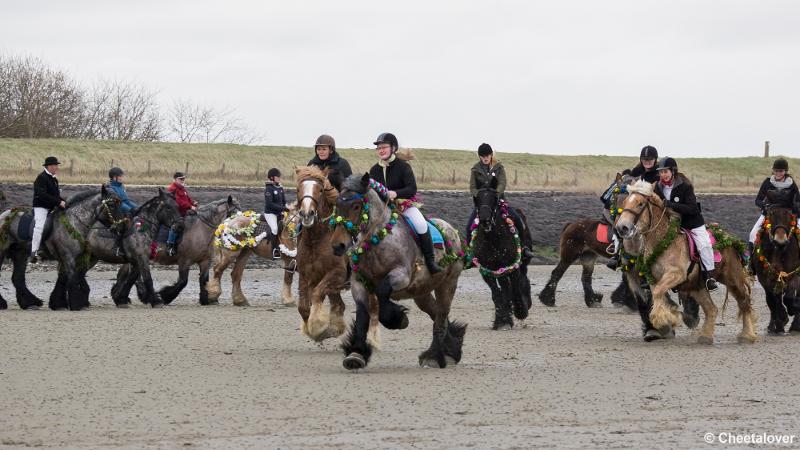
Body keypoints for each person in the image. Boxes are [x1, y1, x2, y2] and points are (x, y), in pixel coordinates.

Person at [368, 132, 441, 274]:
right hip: (382, 208)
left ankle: (430, 261)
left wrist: (396, 193)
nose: (381, 150)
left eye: (384, 147)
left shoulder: (403, 167)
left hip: (403, 205)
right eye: (379, 148)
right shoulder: (374, 170)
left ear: (393, 148)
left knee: (420, 224)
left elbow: (412, 189)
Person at [653, 157, 718, 291]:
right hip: (671, 224)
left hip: (692, 223)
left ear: (673, 171)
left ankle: (709, 276)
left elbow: (692, 208)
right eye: (661, 172)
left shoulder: (685, 186)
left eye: (665, 172)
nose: (663, 175)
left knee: (704, 245)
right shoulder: (658, 187)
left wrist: (671, 205)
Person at [466, 143, 534, 259]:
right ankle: (470, 253)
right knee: (469, 226)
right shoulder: (475, 169)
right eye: (482, 156)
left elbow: (502, 183)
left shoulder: (499, 167)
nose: (485, 158)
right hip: (483, 204)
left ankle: (523, 248)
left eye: (487, 155)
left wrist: (495, 194)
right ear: (479, 156)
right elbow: (472, 187)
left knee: (518, 220)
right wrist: (482, 196)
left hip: (498, 201)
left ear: (491, 154)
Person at [606, 145, 659, 270]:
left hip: (651, 206)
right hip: (637, 205)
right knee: (622, 217)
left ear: (655, 160)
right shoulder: (637, 171)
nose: (647, 162)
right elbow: (628, 183)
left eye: (650, 159)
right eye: (644, 159)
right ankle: (617, 251)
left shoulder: (659, 173)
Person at [748, 158, 800, 254]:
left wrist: (795, 211)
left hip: (788, 214)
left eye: (781, 171)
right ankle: (750, 263)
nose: (778, 173)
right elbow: (758, 200)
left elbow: (798, 201)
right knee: (752, 234)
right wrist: (765, 206)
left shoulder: (792, 184)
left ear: (785, 171)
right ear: (773, 170)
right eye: (776, 171)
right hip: (769, 213)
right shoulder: (767, 182)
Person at [30, 156, 66, 263]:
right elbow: (42, 194)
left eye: (57, 166)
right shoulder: (41, 177)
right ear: (49, 166)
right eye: (55, 166)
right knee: (39, 227)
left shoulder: (54, 179)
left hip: (52, 207)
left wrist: (64, 202)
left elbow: (55, 195)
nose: (57, 168)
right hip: (41, 206)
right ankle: (34, 251)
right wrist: (59, 202)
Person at [107, 167, 137, 257]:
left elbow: (127, 201)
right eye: (120, 176)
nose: (122, 177)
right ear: (114, 177)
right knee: (125, 225)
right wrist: (129, 209)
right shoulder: (110, 188)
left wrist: (137, 208)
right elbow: (118, 203)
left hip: (124, 209)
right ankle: (117, 247)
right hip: (116, 211)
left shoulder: (121, 187)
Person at [165, 172, 198, 256]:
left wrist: (193, 202)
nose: (182, 180)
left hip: (183, 212)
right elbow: (178, 201)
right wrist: (190, 206)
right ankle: (170, 246)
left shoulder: (182, 188)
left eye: (183, 179)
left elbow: (187, 198)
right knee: (176, 225)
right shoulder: (172, 189)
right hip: (174, 213)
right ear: (175, 179)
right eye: (180, 179)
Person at [264, 168, 288, 259]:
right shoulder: (268, 189)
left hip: (279, 213)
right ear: (272, 177)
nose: (279, 178)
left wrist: (287, 207)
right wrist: (283, 208)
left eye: (279, 176)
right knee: (274, 229)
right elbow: (270, 204)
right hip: (270, 213)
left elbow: (284, 201)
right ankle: (274, 250)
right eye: (277, 176)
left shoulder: (280, 188)